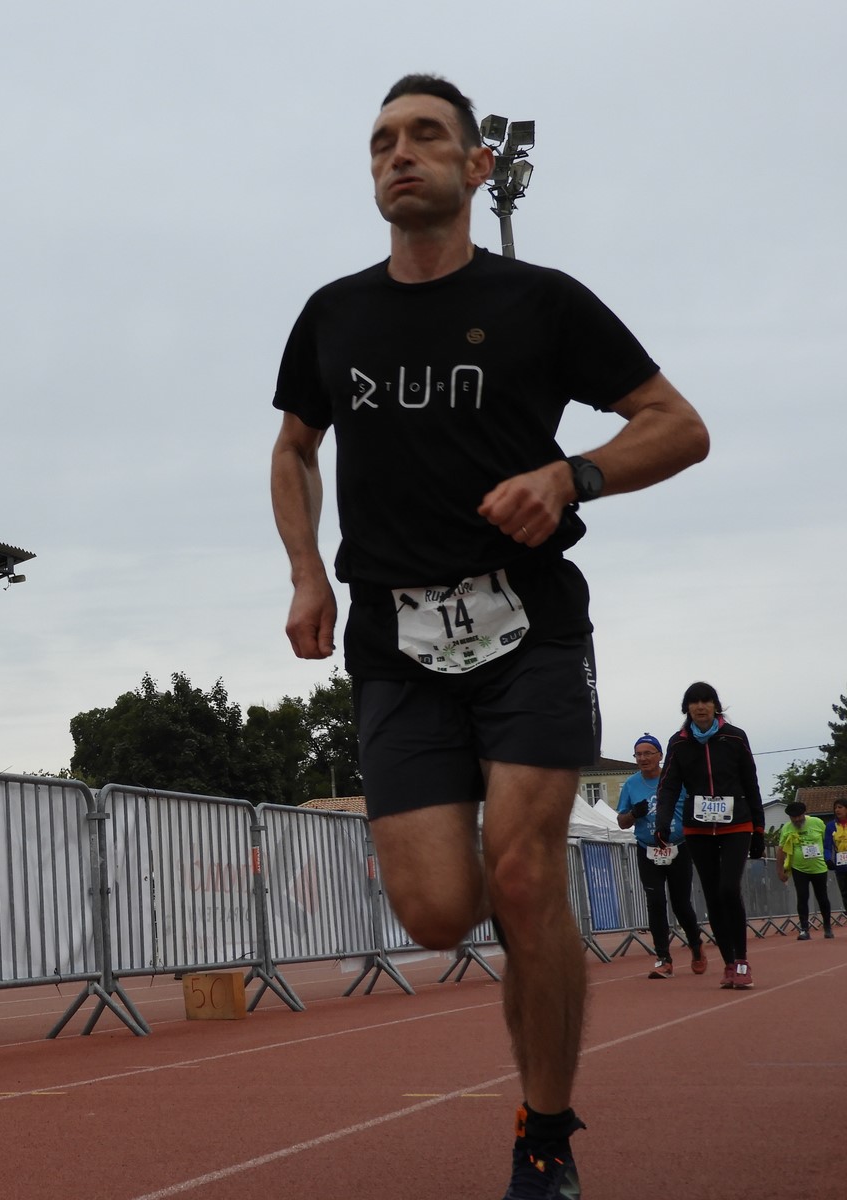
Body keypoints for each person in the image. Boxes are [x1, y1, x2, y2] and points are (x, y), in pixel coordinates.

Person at [269, 73, 708, 1200]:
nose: (398, 153)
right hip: (393, 637)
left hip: (529, 626)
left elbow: (678, 425)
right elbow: (294, 448)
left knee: (522, 869)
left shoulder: (541, 302)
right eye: (381, 141)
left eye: (424, 136)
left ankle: (545, 1134)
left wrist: (572, 475)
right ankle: (520, 916)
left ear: (477, 167)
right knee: (433, 913)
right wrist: (307, 571)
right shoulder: (332, 314)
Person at [655, 682, 766, 987]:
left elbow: (751, 782)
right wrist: (662, 822)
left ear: (716, 706)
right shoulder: (678, 743)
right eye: (694, 702)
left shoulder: (735, 737)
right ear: (687, 708)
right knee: (714, 894)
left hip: (736, 824)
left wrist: (758, 828)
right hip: (698, 827)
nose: (701, 706)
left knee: (729, 889)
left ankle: (742, 961)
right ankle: (729, 963)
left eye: (706, 701)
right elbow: (668, 786)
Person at [615, 733, 706, 978]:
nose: (643, 758)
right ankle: (663, 958)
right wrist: (634, 814)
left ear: (660, 756)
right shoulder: (631, 784)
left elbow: (695, 808)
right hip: (648, 849)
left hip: (678, 847)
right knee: (655, 902)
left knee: (681, 904)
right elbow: (622, 822)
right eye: (638, 754)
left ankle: (696, 945)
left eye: (648, 753)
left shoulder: (676, 779)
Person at [777, 800, 834, 939]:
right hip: (799, 868)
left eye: (799, 816)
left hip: (819, 867)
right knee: (802, 897)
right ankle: (804, 929)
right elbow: (781, 850)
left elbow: (827, 842)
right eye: (793, 817)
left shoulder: (817, 822)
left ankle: (827, 926)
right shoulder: (787, 828)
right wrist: (780, 870)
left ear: (804, 813)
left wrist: (830, 858)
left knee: (822, 897)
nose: (797, 820)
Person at [828, 798, 847, 914]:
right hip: (841, 865)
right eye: (835, 808)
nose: (837, 810)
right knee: (844, 892)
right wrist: (827, 858)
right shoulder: (831, 826)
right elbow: (827, 846)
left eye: (840, 807)